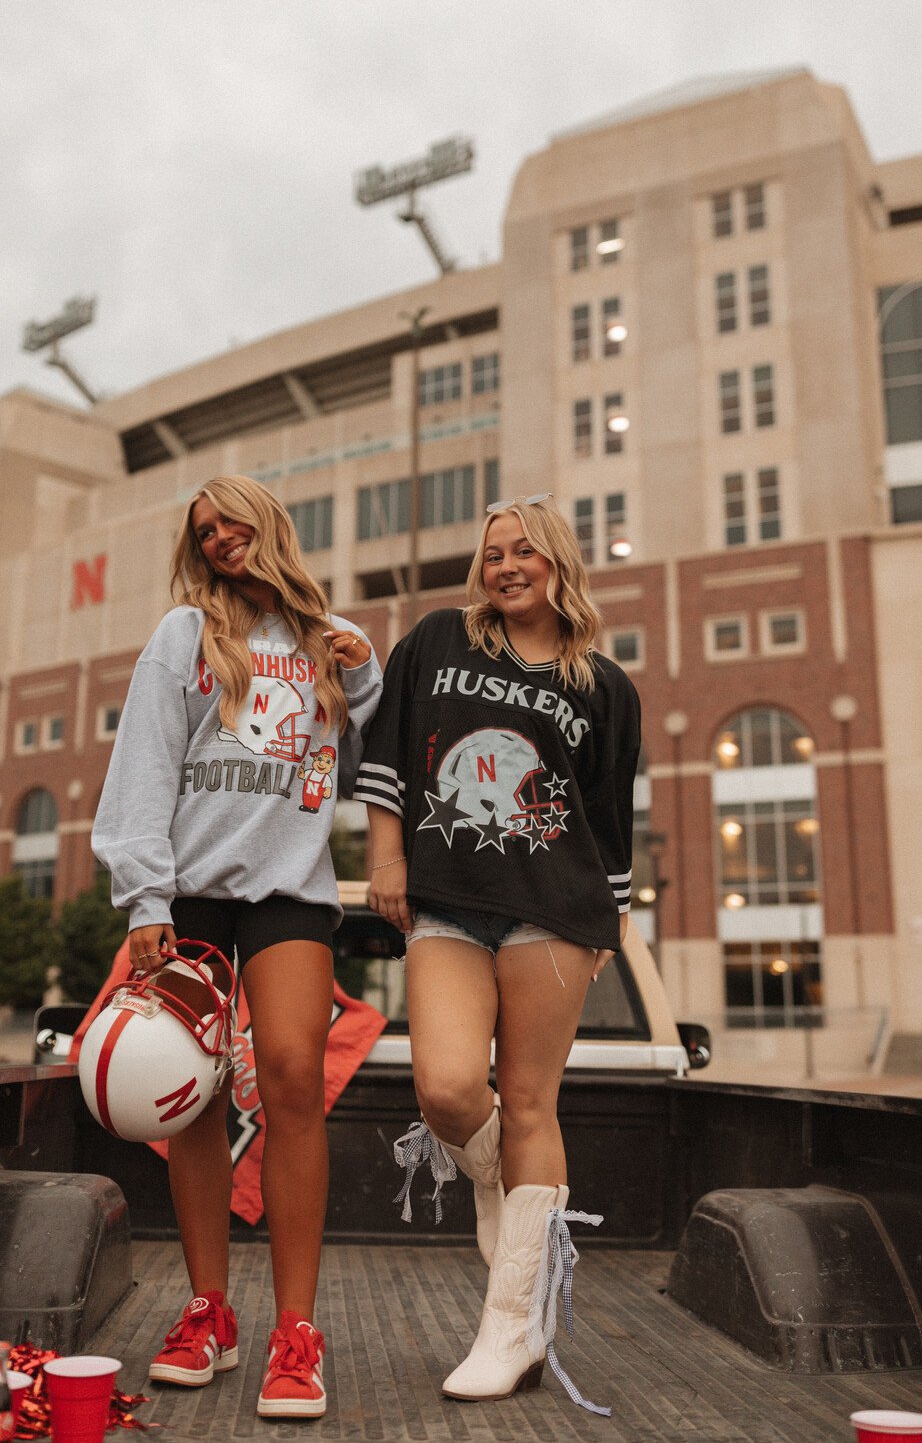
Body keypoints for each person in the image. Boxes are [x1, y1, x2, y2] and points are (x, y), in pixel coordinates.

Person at [91, 475, 381, 1424]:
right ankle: (208, 1312)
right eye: (202, 529)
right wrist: (144, 898)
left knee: (294, 1073)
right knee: (195, 1096)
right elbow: (141, 763)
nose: (217, 537)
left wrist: (366, 668)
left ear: (270, 523)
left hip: (289, 890)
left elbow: (389, 753)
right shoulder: (183, 636)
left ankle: (296, 1331)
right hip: (188, 898)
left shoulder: (328, 639)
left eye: (231, 520)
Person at [352, 494, 640, 1411]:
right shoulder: (438, 640)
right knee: (442, 1087)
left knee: (529, 1102)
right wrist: (385, 861)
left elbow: (608, 827)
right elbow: (387, 758)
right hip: (446, 901)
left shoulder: (606, 687)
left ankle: (510, 1325)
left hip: (555, 914)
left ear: (559, 563)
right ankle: (509, 1192)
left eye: (526, 552)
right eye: (494, 553)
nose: (507, 566)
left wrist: (610, 928)